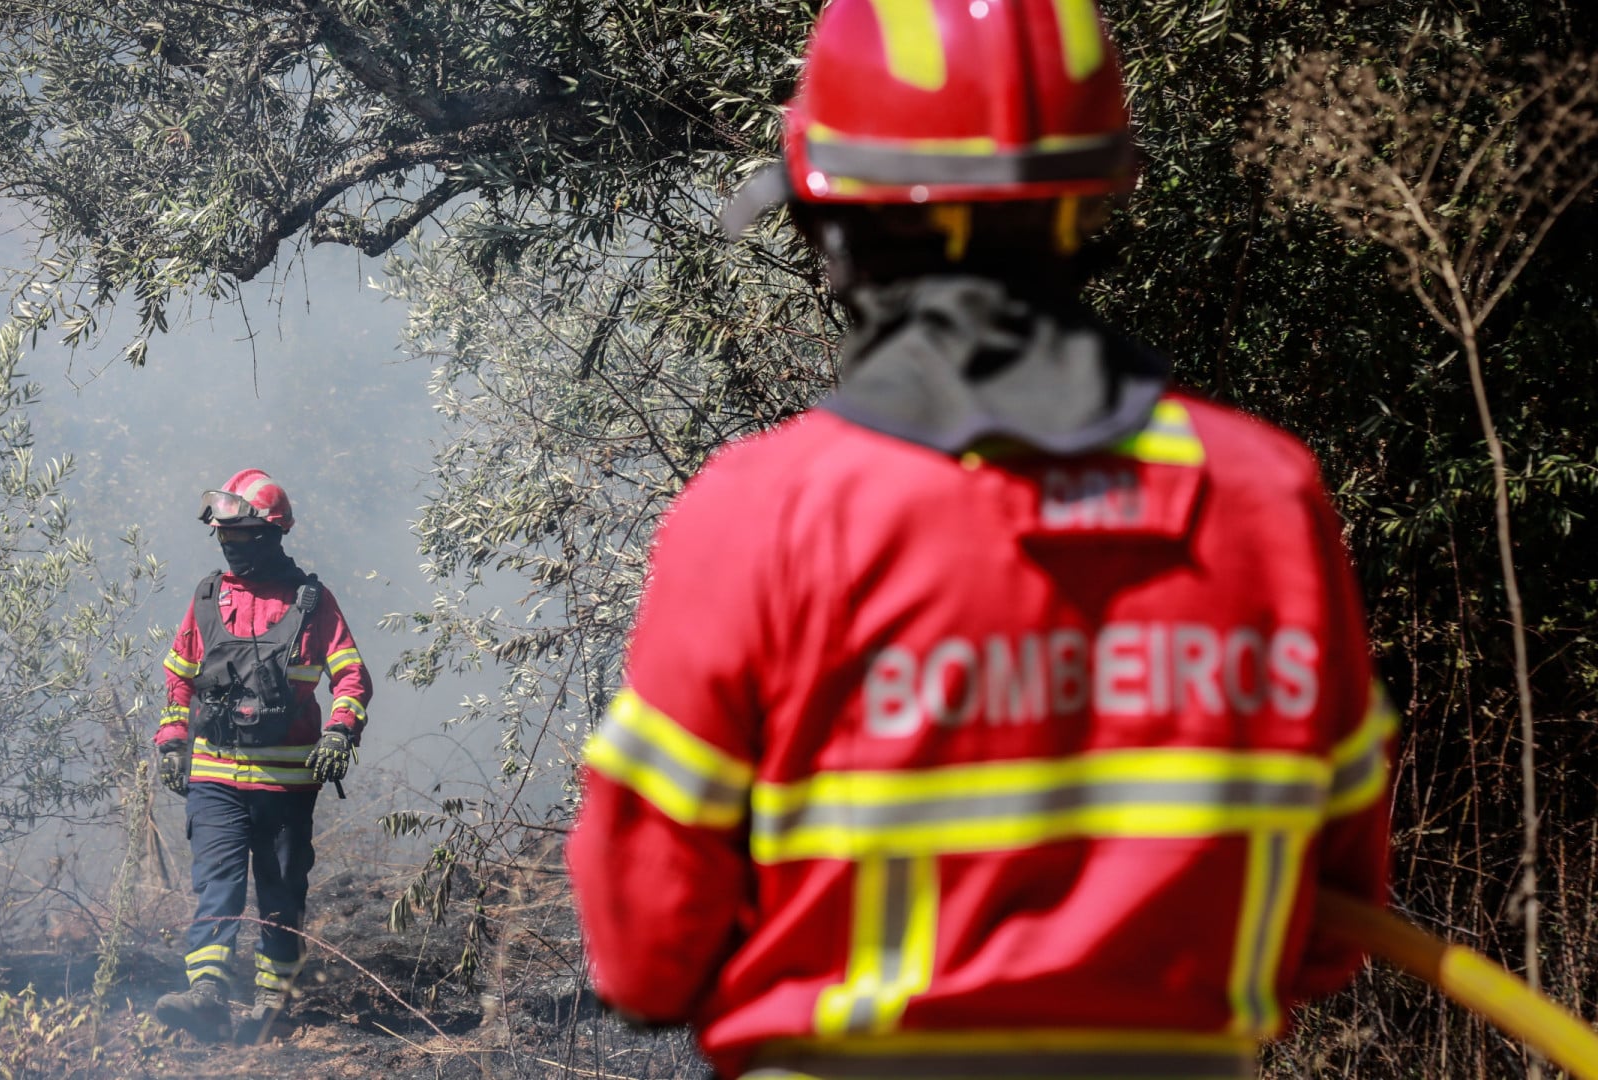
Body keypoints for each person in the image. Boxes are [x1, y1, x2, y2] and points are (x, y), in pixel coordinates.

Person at [565, 2, 1397, 1078]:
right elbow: (1333, 927)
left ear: (837, 232)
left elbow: (643, 953)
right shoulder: (1266, 499)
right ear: (1097, 200)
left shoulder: (765, 513)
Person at [150, 468, 371, 1042]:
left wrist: (340, 732)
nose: (231, 546)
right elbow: (178, 680)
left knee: (279, 892)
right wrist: (173, 742)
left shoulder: (312, 603)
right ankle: (206, 994)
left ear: (272, 536)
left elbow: (350, 676)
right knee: (216, 884)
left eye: (242, 536)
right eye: (224, 537)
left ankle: (273, 1001)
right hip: (214, 778)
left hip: (287, 781)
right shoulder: (206, 597)